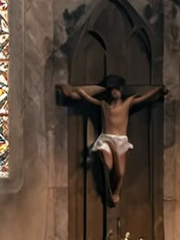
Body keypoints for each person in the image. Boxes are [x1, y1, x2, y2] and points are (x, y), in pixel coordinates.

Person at [58, 75, 166, 204]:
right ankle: (106, 182)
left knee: (120, 173)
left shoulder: (128, 103)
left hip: (121, 140)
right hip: (107, 139)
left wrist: (159, 90)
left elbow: (145, 98)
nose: (114, 92)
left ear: (121, 90)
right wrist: (80, 92)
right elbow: (89, 99)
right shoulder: (104, 105)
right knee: (108, 166)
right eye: (112, 90)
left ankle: (116, 191)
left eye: (117, 89)